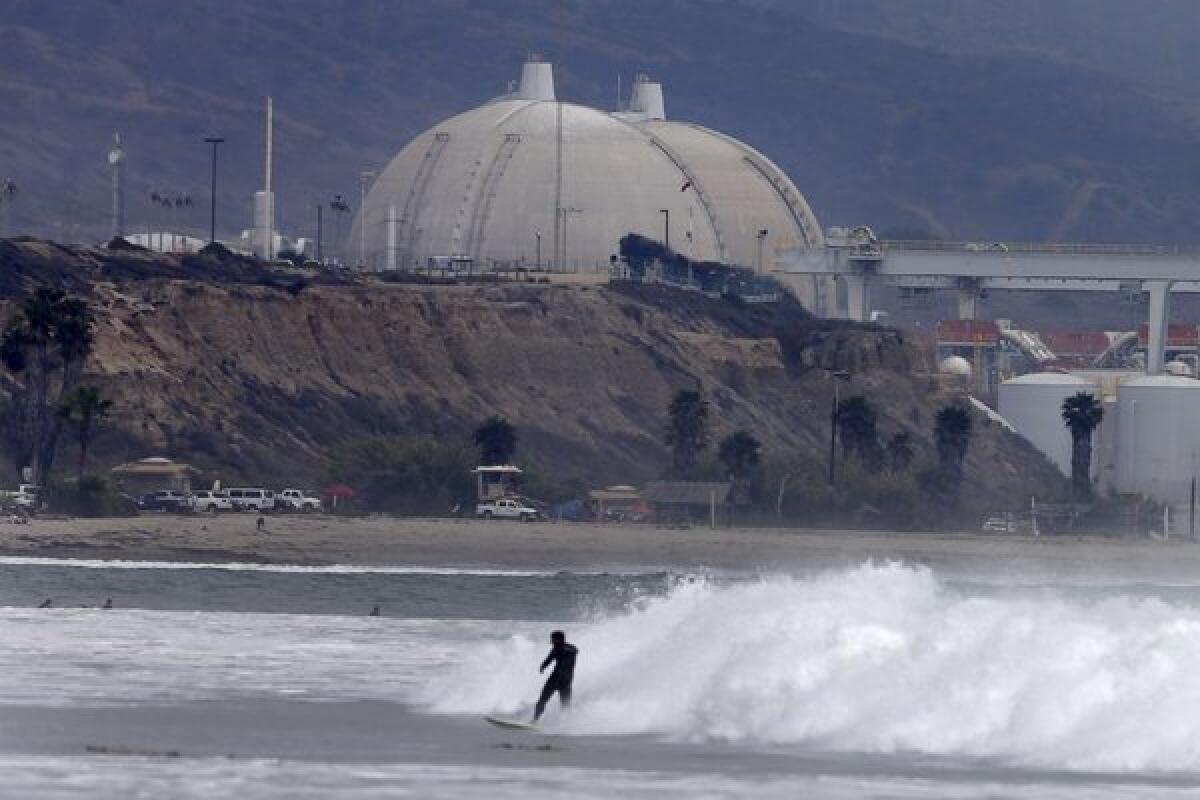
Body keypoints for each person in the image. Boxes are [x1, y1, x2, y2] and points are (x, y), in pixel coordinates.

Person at [533, 630, 577, 722]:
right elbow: (549, 659)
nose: (551, 641)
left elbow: (574, 650)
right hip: (559, 679)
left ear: (559, 640)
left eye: (553, 639)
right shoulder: (555, 649)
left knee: (565, 704)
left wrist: (561, 649)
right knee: (542, 700)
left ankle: (566, 723)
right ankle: (534, 721)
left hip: (562, 680)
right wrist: (543, 666)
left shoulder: (570, 649)